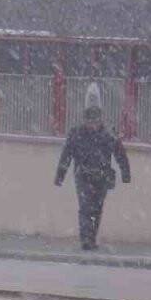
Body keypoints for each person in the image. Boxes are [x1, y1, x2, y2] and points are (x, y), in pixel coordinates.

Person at [54, 106, 131, 251]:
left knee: (97, 209)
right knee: (85, 207)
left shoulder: (108, 134)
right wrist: (60, 176)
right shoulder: (77, 134)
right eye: (90, 122)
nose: (93, 125)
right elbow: (66, 155)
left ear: (100, 121)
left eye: (95, 122)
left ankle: (92, 238)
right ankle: (86, 240)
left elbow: (120, 154)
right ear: (85, 121)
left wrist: (125, 173)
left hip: (102, 176)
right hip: (83, 175)